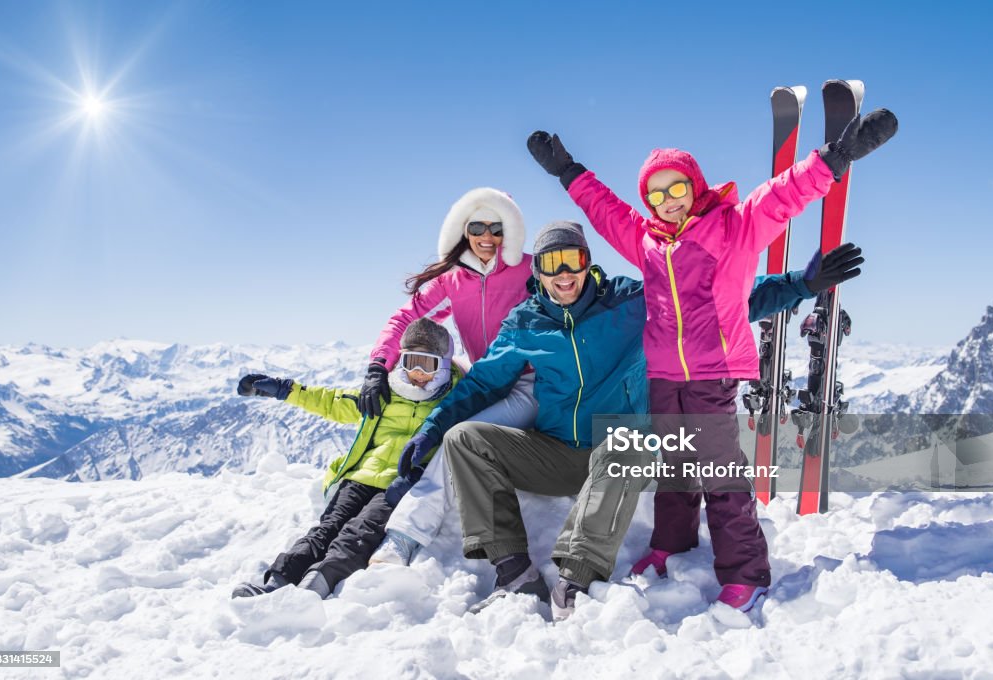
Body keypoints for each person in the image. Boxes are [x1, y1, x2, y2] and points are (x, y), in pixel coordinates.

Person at [526, 108, 895, 611]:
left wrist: (835, 157)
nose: (667, 201)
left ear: (694, 185)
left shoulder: (734, 226)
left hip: (713, 372)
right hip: (663, 373)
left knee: (721, 475)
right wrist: (569, 171)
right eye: (655, 193)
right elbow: (604, 210)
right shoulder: (647, 241)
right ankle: (672, 543)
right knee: (675, 466)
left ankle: (746, 569)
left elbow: (784, 194)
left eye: (675, 188)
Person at [395, 221, 852, 621]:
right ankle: (514, 571)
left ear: (586, 261)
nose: (563, 274)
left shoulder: (629, 301)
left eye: (571, 259)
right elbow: (479, 386)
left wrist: (801, 284)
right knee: (464, 439)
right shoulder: (525, 324)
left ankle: (575, 578)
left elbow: (714, 306)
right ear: (538, 272)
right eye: (551, 264)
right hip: (556, 451)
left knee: (626, 442)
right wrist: (432, 428)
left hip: (617, 451)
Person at [362, 188, 540, 567]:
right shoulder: (453, 280)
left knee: (458, 439)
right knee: (434, 409)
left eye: (497, 227)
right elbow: (406, 318)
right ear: (464, 229)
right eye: (478, 226)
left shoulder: (530, 271)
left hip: (528, 383)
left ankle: (404, 536)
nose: (487, 237)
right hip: (484, 381)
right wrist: (379, 364)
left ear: (511, 230)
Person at [230, 318, 459, 600]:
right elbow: (332, 402)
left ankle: (315, 587)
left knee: (358, 533)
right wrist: (284, 389)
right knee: (326, 529)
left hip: (398, 484)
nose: (417, 373)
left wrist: (420, 471)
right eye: (411, 361)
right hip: (360, 477)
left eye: (427, 364)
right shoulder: (385, 392)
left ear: (444, 365)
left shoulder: (453, 401)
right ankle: (277, 582)